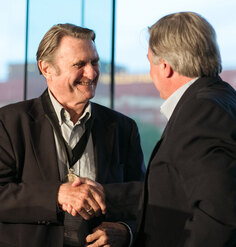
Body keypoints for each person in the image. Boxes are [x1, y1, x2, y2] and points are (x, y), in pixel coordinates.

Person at [0, 23, 146, 247]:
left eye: (94, 62)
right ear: (46, 68)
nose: (92, 72)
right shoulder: (9, 123)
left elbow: (142, 198)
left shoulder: (123, 128)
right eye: (80, 64)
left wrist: (127, 232)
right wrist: (57, 195)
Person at [134, 11, 236, 247]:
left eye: (150, 62)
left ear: (165, 67)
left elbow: (219, 213)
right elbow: (174, 188)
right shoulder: (221, 99)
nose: (150, 73)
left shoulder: (201, 112)